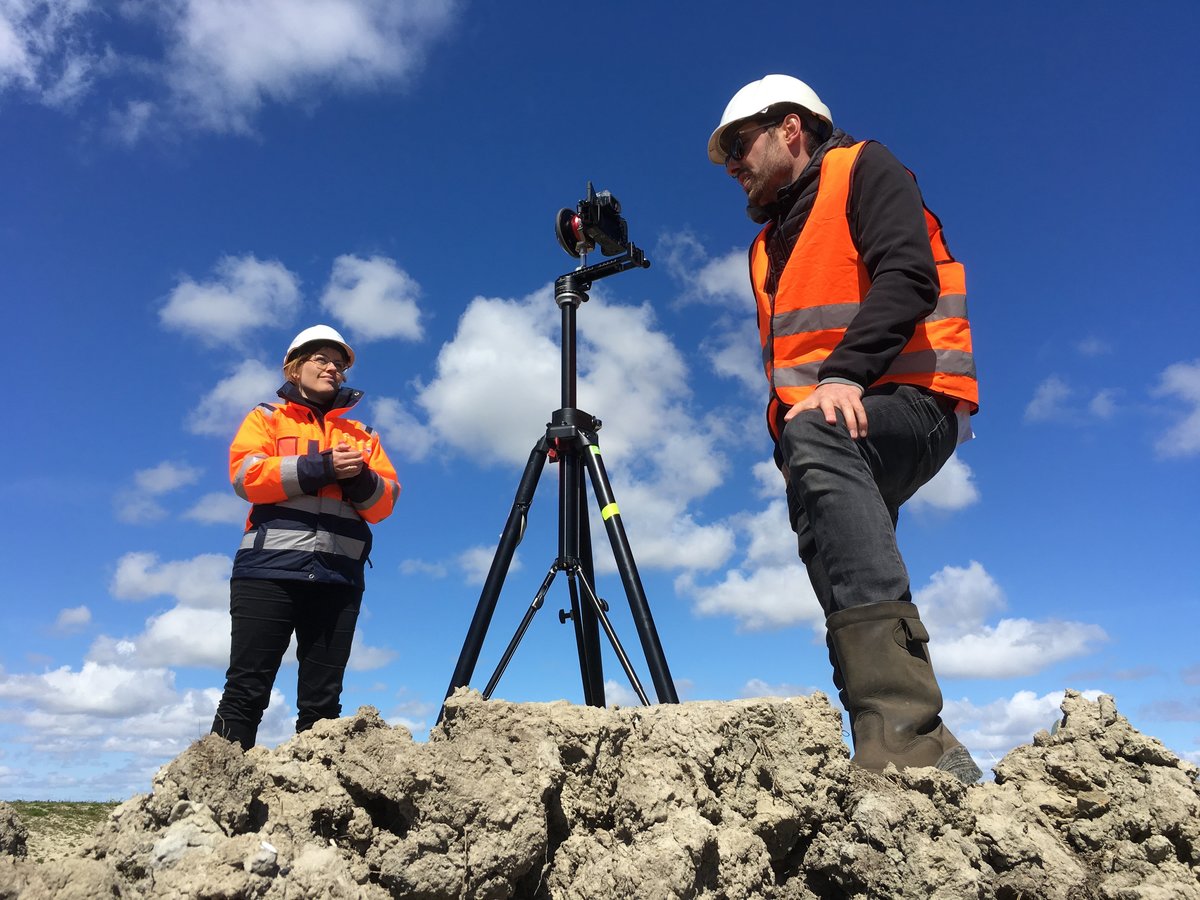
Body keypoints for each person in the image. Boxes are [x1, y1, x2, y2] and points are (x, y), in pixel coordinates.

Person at [708, 75, 981, 782]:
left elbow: (908, 276)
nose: (732, 165)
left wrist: (844, 377)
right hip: (827, 427)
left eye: (739, 145)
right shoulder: (765, 248)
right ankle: (911, 748)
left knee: (818, 436)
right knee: (826, 545)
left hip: (911, 404)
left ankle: (904, 735)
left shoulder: (863, 168)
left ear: (790, 128)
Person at [211, 324, 401, 750]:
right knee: (245, 691)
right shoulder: (266, 418)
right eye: (321, 359)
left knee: (322, 707)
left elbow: (384, 504)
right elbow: (247, 477)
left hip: (338, 579)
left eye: (339, 364)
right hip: (267, 573)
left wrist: (356, 477)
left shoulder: (363, 435)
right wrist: (324, 467)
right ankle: (215, 788)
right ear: (294, 369)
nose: (333, 368)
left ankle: (316, 791)